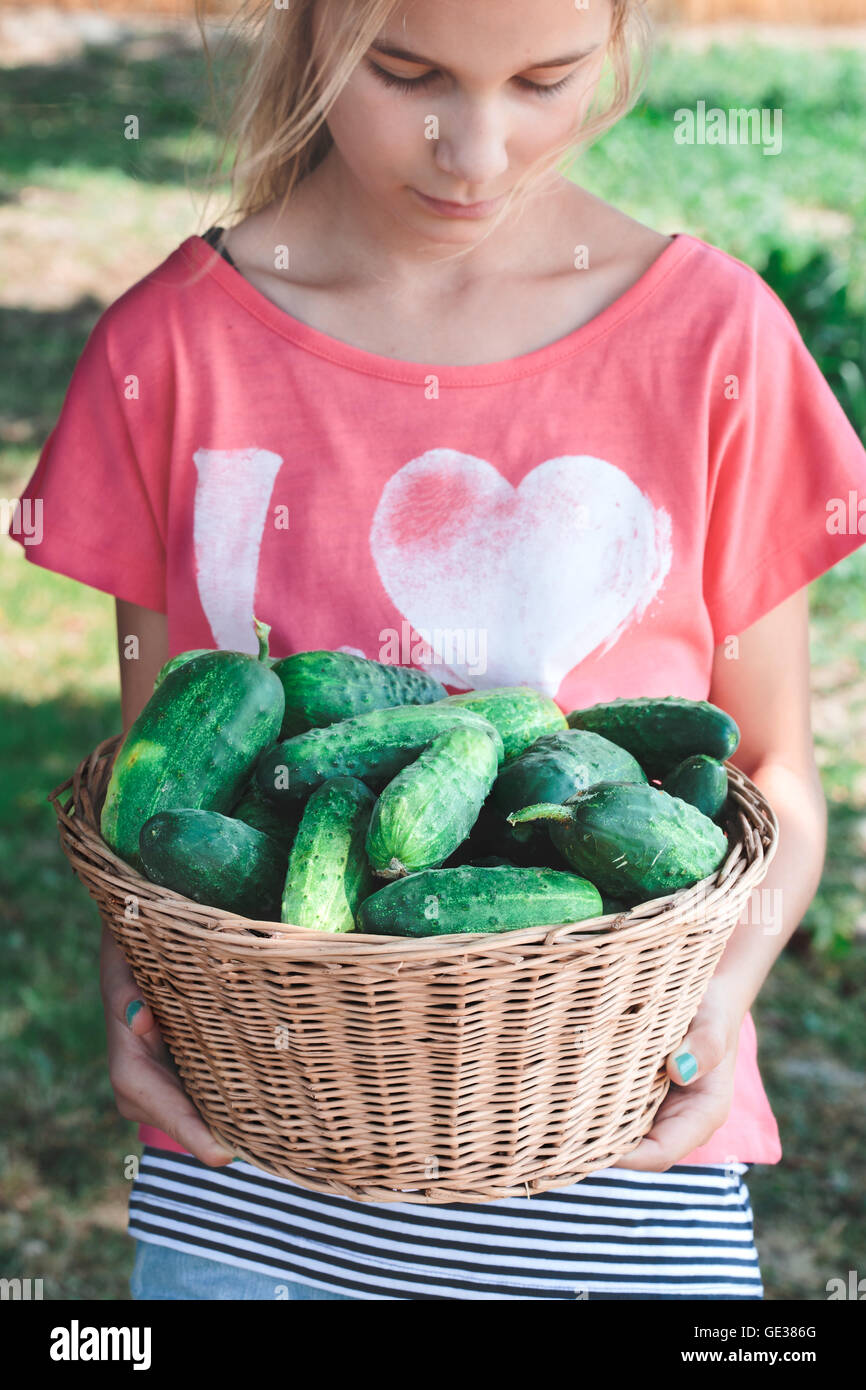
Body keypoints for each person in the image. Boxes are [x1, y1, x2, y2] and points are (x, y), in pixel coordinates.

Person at [12, 0, 866, 1300]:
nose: (473, 150)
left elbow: (774, 773)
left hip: (625, 1179)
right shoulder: (170, 350)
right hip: (255, 1186)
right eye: (403, 71)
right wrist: (134, 988)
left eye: (544, 79)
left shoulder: (715, 346)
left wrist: (725, 983)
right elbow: (161, 789)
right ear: (304, 30)